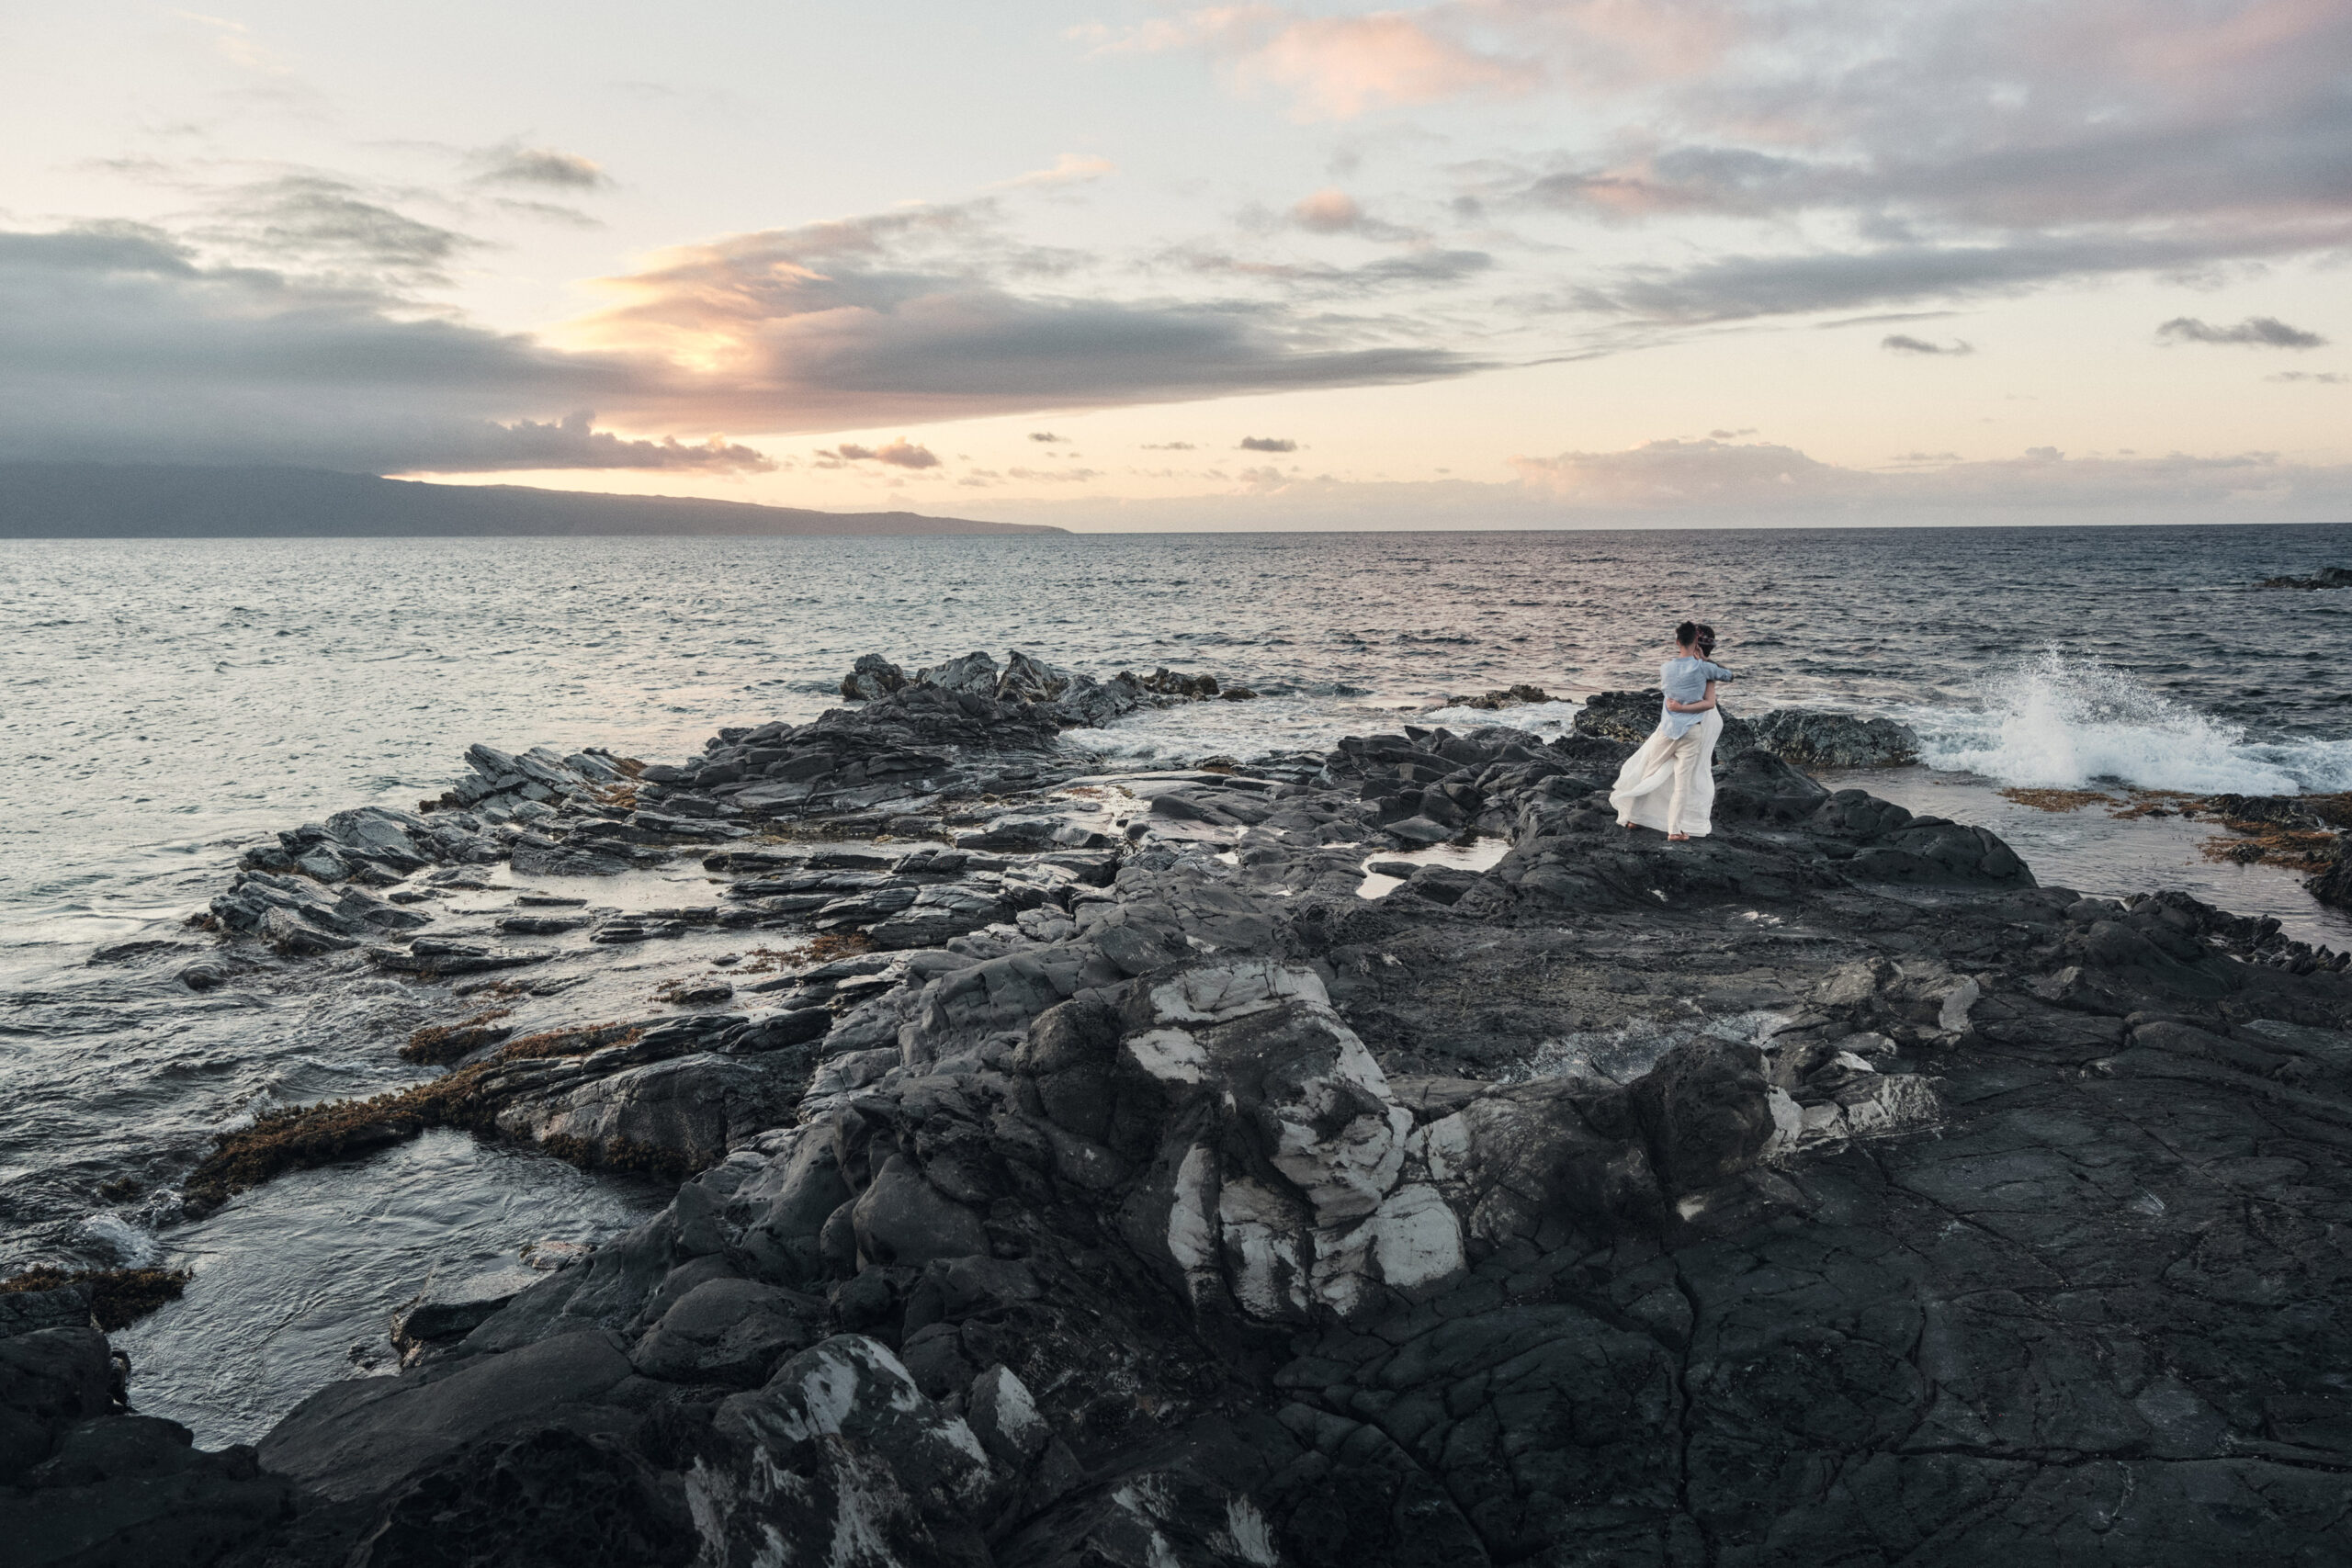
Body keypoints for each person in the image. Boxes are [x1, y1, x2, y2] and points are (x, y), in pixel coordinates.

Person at [1609, 621, 1735, 841]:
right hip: (1692, 731)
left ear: (1677, 642)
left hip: (1668, 730)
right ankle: (1674, 831)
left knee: (1648, 771)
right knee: (1682, 784)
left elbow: (1672, 694)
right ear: (1698, 643)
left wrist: (1678, 706)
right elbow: (1728, 676)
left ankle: (1633, 817)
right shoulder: (1705, 669)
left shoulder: (1666, 668)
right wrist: (1705, 661)